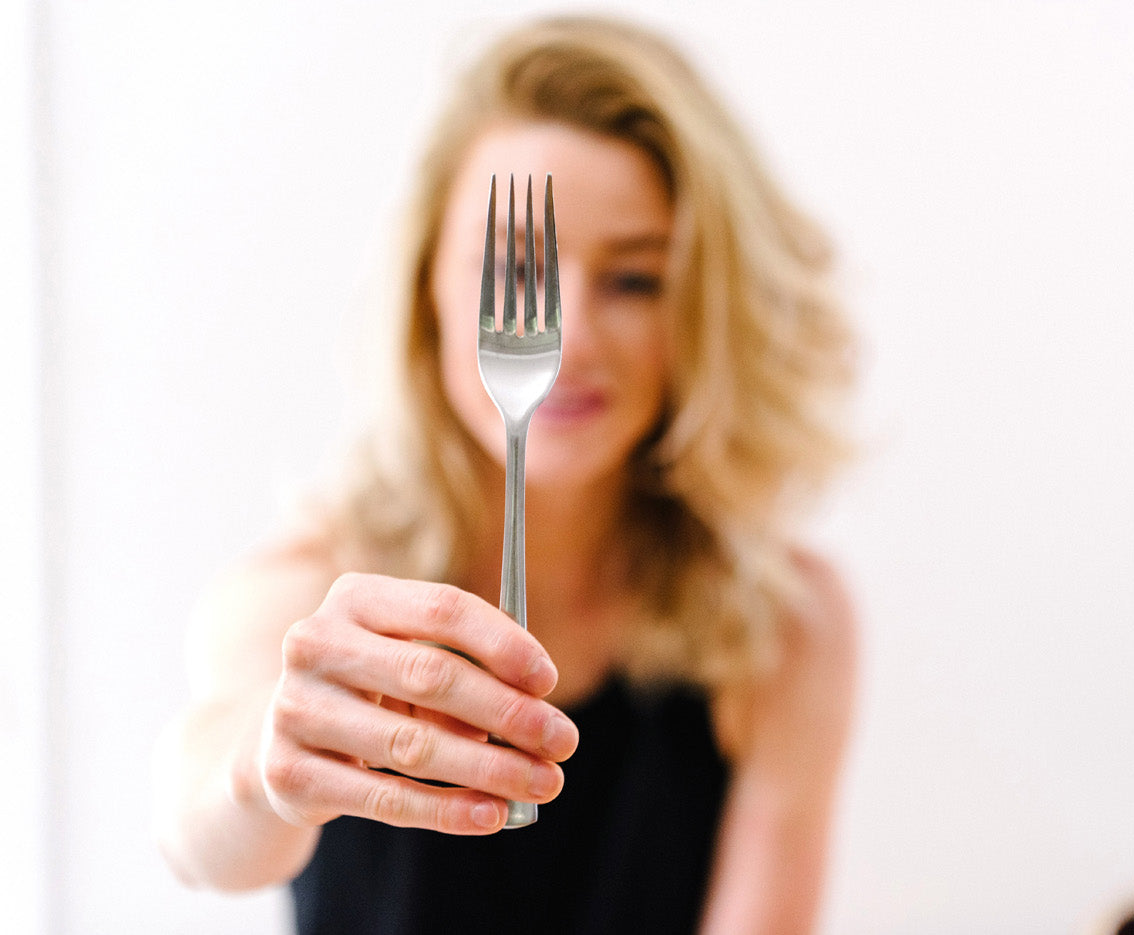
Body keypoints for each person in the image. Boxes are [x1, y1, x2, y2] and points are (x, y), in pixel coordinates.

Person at [153, 13, 857, 934]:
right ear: (426, 296)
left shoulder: (784, 631)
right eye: (517, 270)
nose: (567, 338)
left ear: (700, 312)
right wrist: (263, 761)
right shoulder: (307, 594)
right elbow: (198, 829)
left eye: (635, 280)